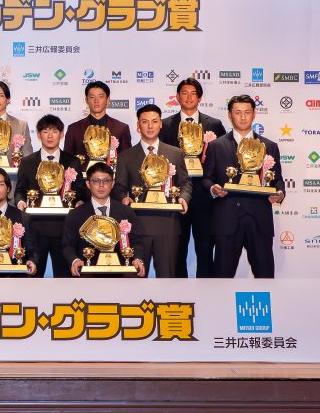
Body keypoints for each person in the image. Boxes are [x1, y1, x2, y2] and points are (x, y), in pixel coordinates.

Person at [203, 94, 286, 278]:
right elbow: (207, 178)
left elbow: (277, 180)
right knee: (221, 278)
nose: (242, 117)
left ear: (254, 114)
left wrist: (280, 193)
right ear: (229, 115)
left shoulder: (269, 146)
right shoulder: (216, 146)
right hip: (226, 220)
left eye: (247, 112)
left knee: (265, 277)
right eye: (238, 112)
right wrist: (213, 189)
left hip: (259, 221)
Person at [158, 77, 227, 278]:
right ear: (177, 96)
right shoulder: (165, 125)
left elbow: (222, 159)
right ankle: (179, 291)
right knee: (177, 249)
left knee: (205, 249)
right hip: (176, 195)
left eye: (193, 93)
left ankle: (206, 291)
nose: (189, 97)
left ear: (200, 97)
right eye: (184, 93)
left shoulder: (214, 124)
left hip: (205, 197)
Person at [112, 104, 192, 277]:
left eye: (154, 121)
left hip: (167, 225)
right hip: (137, 226)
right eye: (145, 121)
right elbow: (119, 187)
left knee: (167, 277)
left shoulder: (175, 153)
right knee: (134, 278)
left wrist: (183, 197)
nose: (150, 126)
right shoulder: (125, 156)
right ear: (138, 126)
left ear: (160, 124)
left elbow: (185, 183)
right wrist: (123, 198)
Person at [14, 114, 85, 277]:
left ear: (62, 134)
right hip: (35, 227)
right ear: (39, 135)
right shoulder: (28, 162)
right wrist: (20, 202)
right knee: (33, 276)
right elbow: (20, 190)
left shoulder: (72, 161)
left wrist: (80, 201)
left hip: (64, 228)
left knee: (64, 278)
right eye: (45, 131)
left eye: (54, 131)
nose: (50, 136)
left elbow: (80, 189)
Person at [63, 162, 145, 278]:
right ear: (88, 184)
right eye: (96, 181)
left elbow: (137, 242)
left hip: (121, 271)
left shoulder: (126, 212)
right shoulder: (75, 214)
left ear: (113, 183)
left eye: (106, 181)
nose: (101, 185)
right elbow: (68, 245)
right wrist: (75, 260)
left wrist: (137, 259)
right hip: (87, 272)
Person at [63, 80, 132, 163]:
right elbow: (67, 160)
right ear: (86, 100)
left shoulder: (121, 128)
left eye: (100, 96)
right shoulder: (74, 129)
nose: (96, 101)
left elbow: (127, 161)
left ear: (108, 100)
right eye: (92, 97)